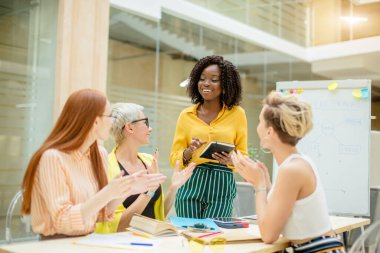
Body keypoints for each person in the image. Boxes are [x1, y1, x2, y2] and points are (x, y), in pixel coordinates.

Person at [21, 89, 166, 238]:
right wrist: (108, 192)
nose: (113, 122)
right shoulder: (53, 158)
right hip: (56, 244)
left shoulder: (99, 154)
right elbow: (62, 221)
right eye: (109, 116)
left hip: (88, 240)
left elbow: (102, 215)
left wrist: (126, 190)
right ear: (95, 121)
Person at [231, 91, 344, 252]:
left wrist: (259, 185)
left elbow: (269, 235)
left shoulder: (292, 170)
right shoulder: (297, 162)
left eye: (259, 122)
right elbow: (284, 210)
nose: (257, 127)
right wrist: (266, 184)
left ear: (269, 132)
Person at [96, 103, 196, 233]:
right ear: (130, 128)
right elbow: (117, 226)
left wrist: (173, 189)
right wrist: (149, 192)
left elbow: (157, 217)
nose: (150, 128)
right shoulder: (107, 167)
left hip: (151, 242)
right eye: (145, 123)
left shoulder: (149, 161)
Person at [170, 55, 248, 219]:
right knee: (187, 233)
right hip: (191, 180)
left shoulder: (237, 114)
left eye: (214, 80)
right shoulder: (186, 115)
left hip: (222, 182)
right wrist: (191, 150)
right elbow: (174, 159)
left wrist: (231, 161)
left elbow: (243, 154)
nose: (206, 83)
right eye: (202, 78)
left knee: (213, 236)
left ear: (225, 85)